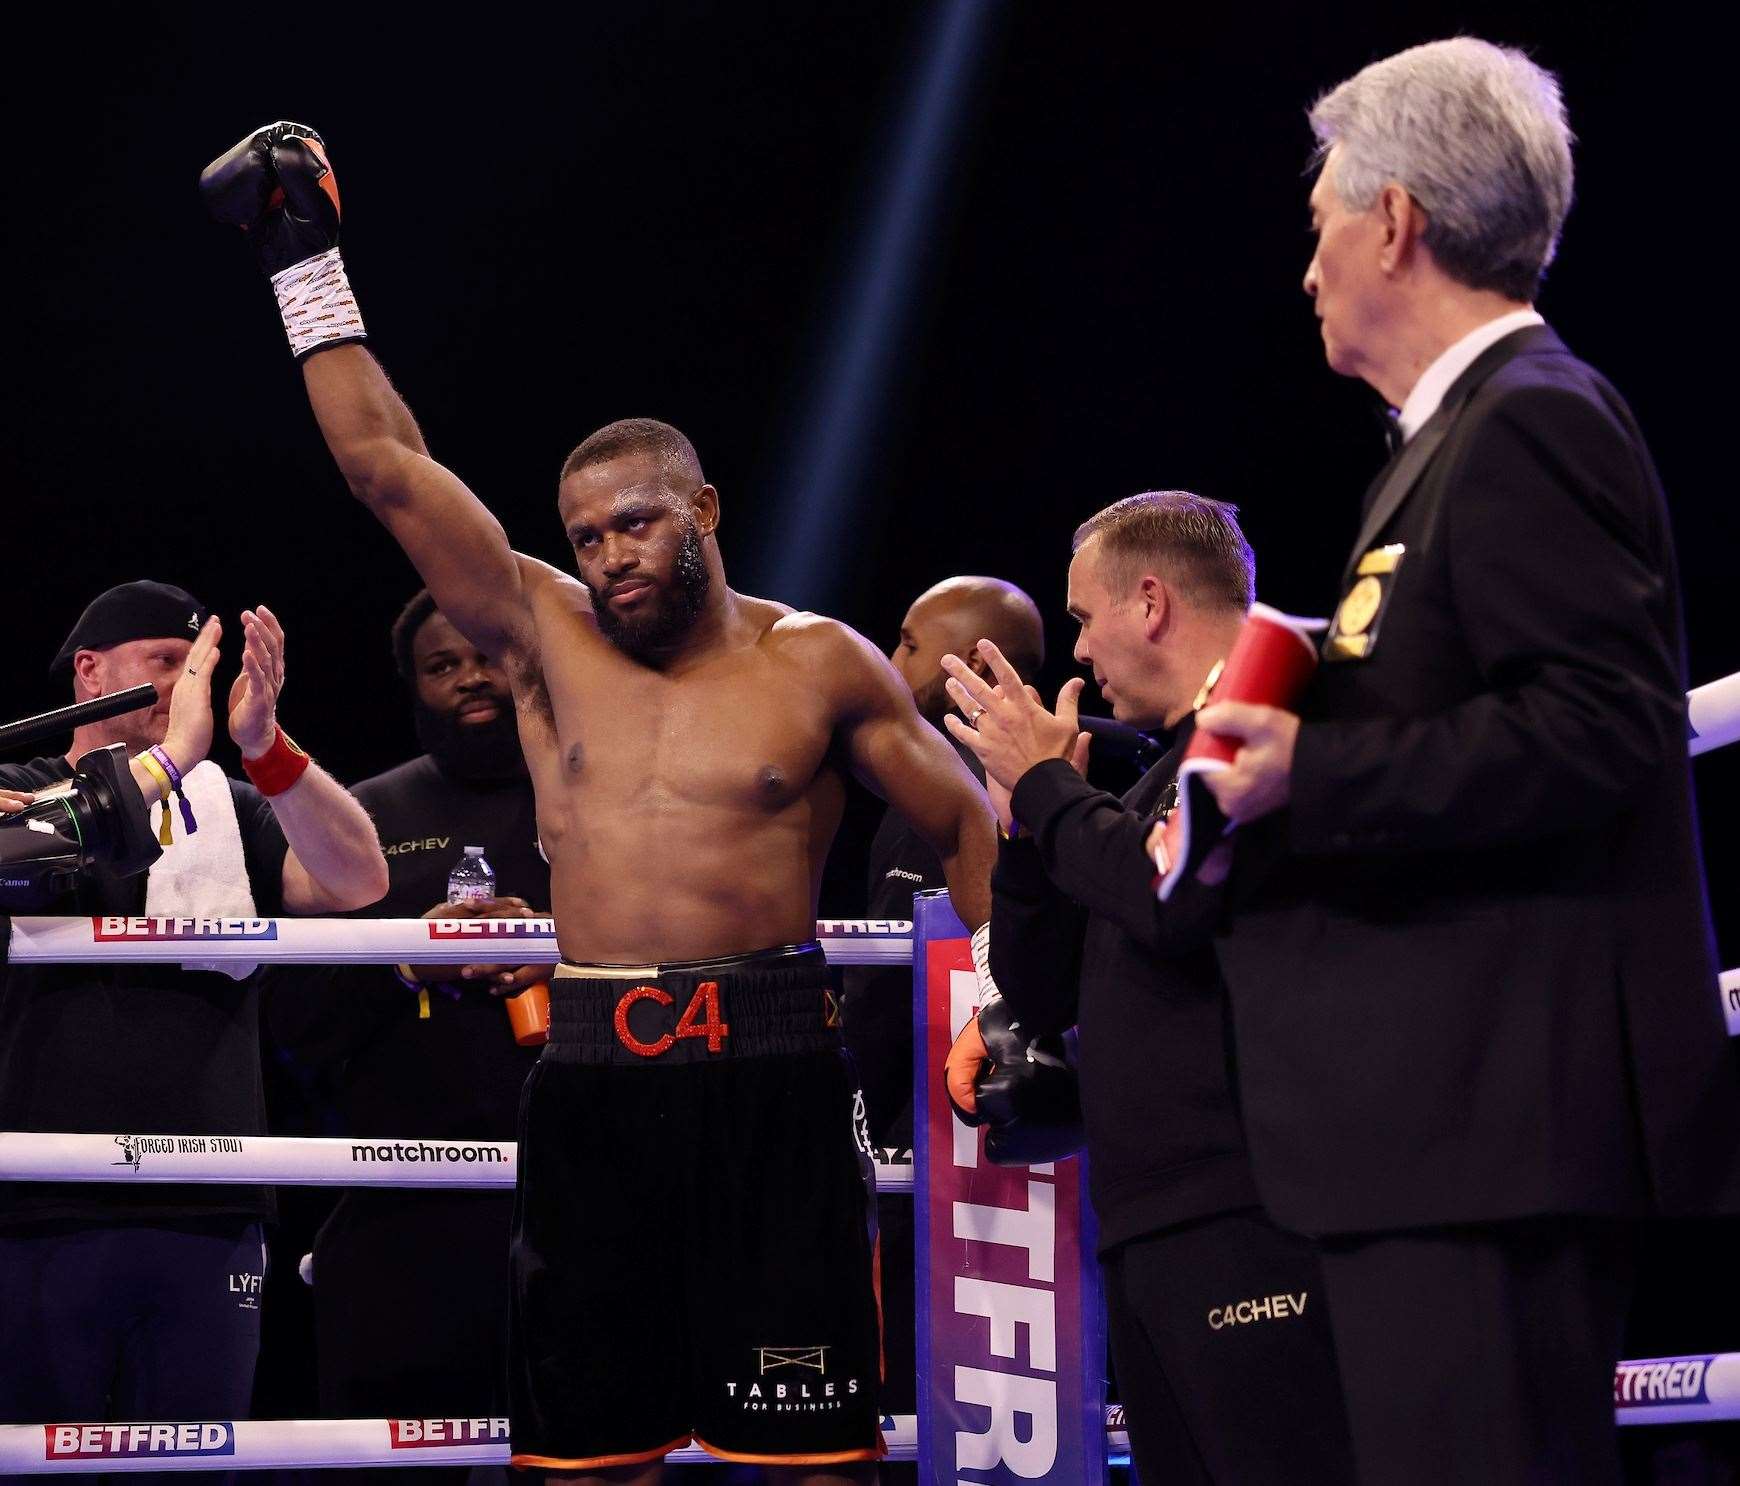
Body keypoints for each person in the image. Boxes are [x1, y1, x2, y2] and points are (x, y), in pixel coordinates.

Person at [204, 122, 997, 1479]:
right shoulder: (538, 633)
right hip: (592, 1082)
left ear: (703, 506)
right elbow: (387, 466)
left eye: (636, 522)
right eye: (586, 535)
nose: (610, 555)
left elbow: (972, 823)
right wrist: (304, 260)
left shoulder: (818, 660)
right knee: (584, 1457)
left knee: (806, 1460)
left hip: (774, 1080)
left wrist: (995, 1003)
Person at [1180, 39, 1740, 1483]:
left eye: (1318, 230)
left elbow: (1610, 724)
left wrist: (1322, 770)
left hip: (1490, 1126)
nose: (1306, 273)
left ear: (1395, 220)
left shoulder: (1531, 421)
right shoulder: (1456, 440)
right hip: (1448, 1125)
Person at [941, 492, 1354, 1483]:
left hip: (1256, 1216)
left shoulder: (1271, 720)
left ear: (1152, 601)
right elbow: (1041, 996)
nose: (1079, 653)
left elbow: (1170, 899)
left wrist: (1050, 785)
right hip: (1148, 1226)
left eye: (1085, 617)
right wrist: (1026, 833)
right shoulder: (1146, 782)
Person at [0, 580, 388, 1433]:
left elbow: (359, 881)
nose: (188, 687)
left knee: (195, 1460)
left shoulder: (225, 808)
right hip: (38, 1201)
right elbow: (12, 848)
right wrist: (168, 759)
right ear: (92, 672)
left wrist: (268, 748)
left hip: (210, 1203)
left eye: (199, 667)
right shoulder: (15, 783)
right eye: (167, 662)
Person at [264, 591, 551, 1456]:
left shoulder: (598, 800)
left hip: (578, 1200)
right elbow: (291, 1024)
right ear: (411, 683)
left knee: (583, 1459)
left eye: (486, 656)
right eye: (441, 664)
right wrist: (405, 960)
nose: (470, 678)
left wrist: (558, 954)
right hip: (400, 1212)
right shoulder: (362, 818)